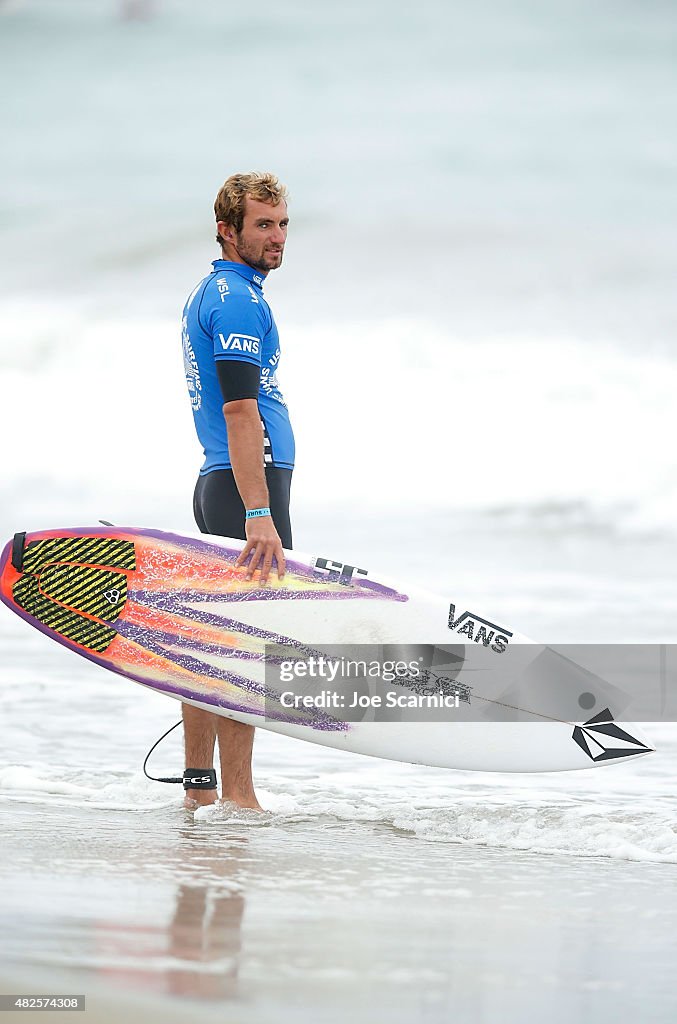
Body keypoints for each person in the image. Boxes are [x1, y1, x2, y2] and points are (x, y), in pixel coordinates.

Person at [180, 172, 294, 811]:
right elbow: (240, 411)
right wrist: (260, 512)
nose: (277, 238)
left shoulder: (218, 292)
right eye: (263, 225)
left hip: (221, 482)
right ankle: (240, 800)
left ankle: (202, 788)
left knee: (206, 640)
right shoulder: (236, 300)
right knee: (243, 646)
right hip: (245, 486)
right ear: (227, 230)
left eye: (282, 224)